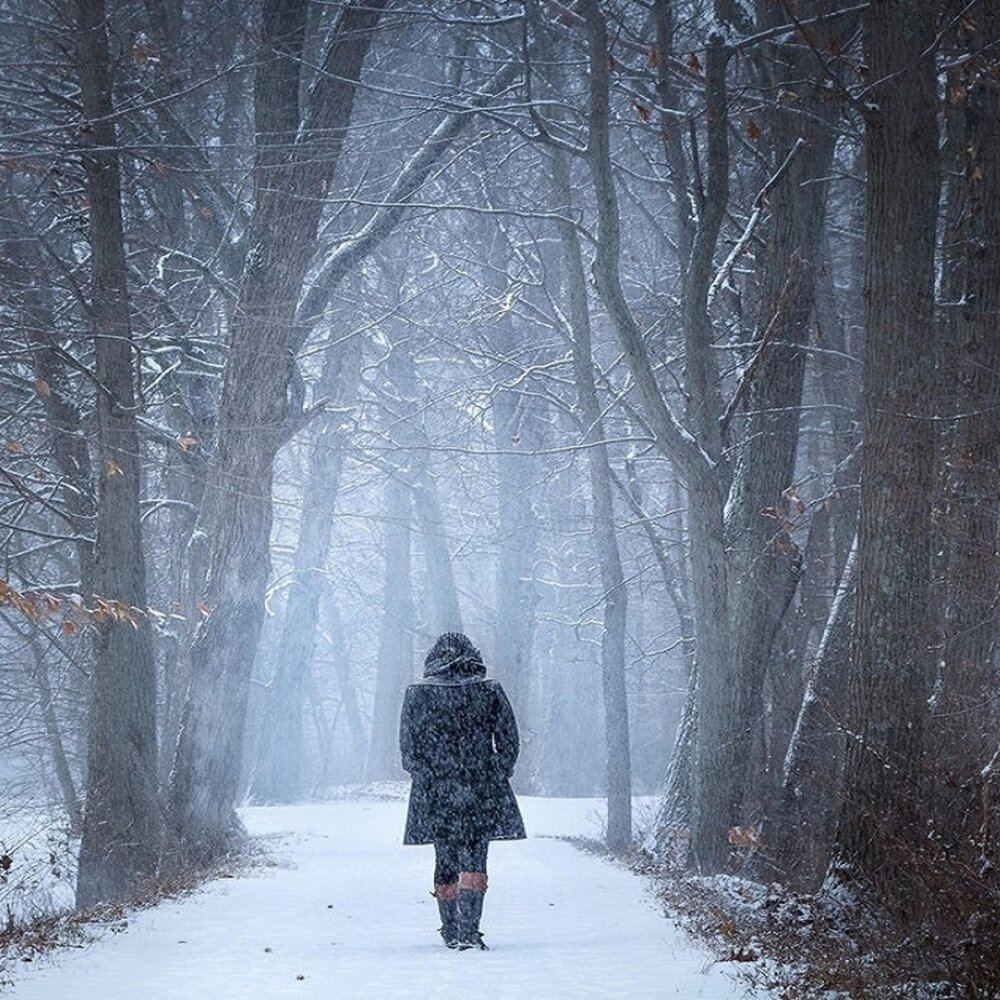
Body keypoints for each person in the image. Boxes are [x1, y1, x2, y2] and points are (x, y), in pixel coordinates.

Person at [399, 632, 526, 950]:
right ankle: (469, 931)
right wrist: (496, 770)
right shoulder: (489, 690)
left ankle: (451, 930)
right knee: (475, 856)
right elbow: (509, 739)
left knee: (444, 856)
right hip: (481, 787)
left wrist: (428, 775)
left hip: (437, 790)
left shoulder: (417, 695)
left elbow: (408, 749)